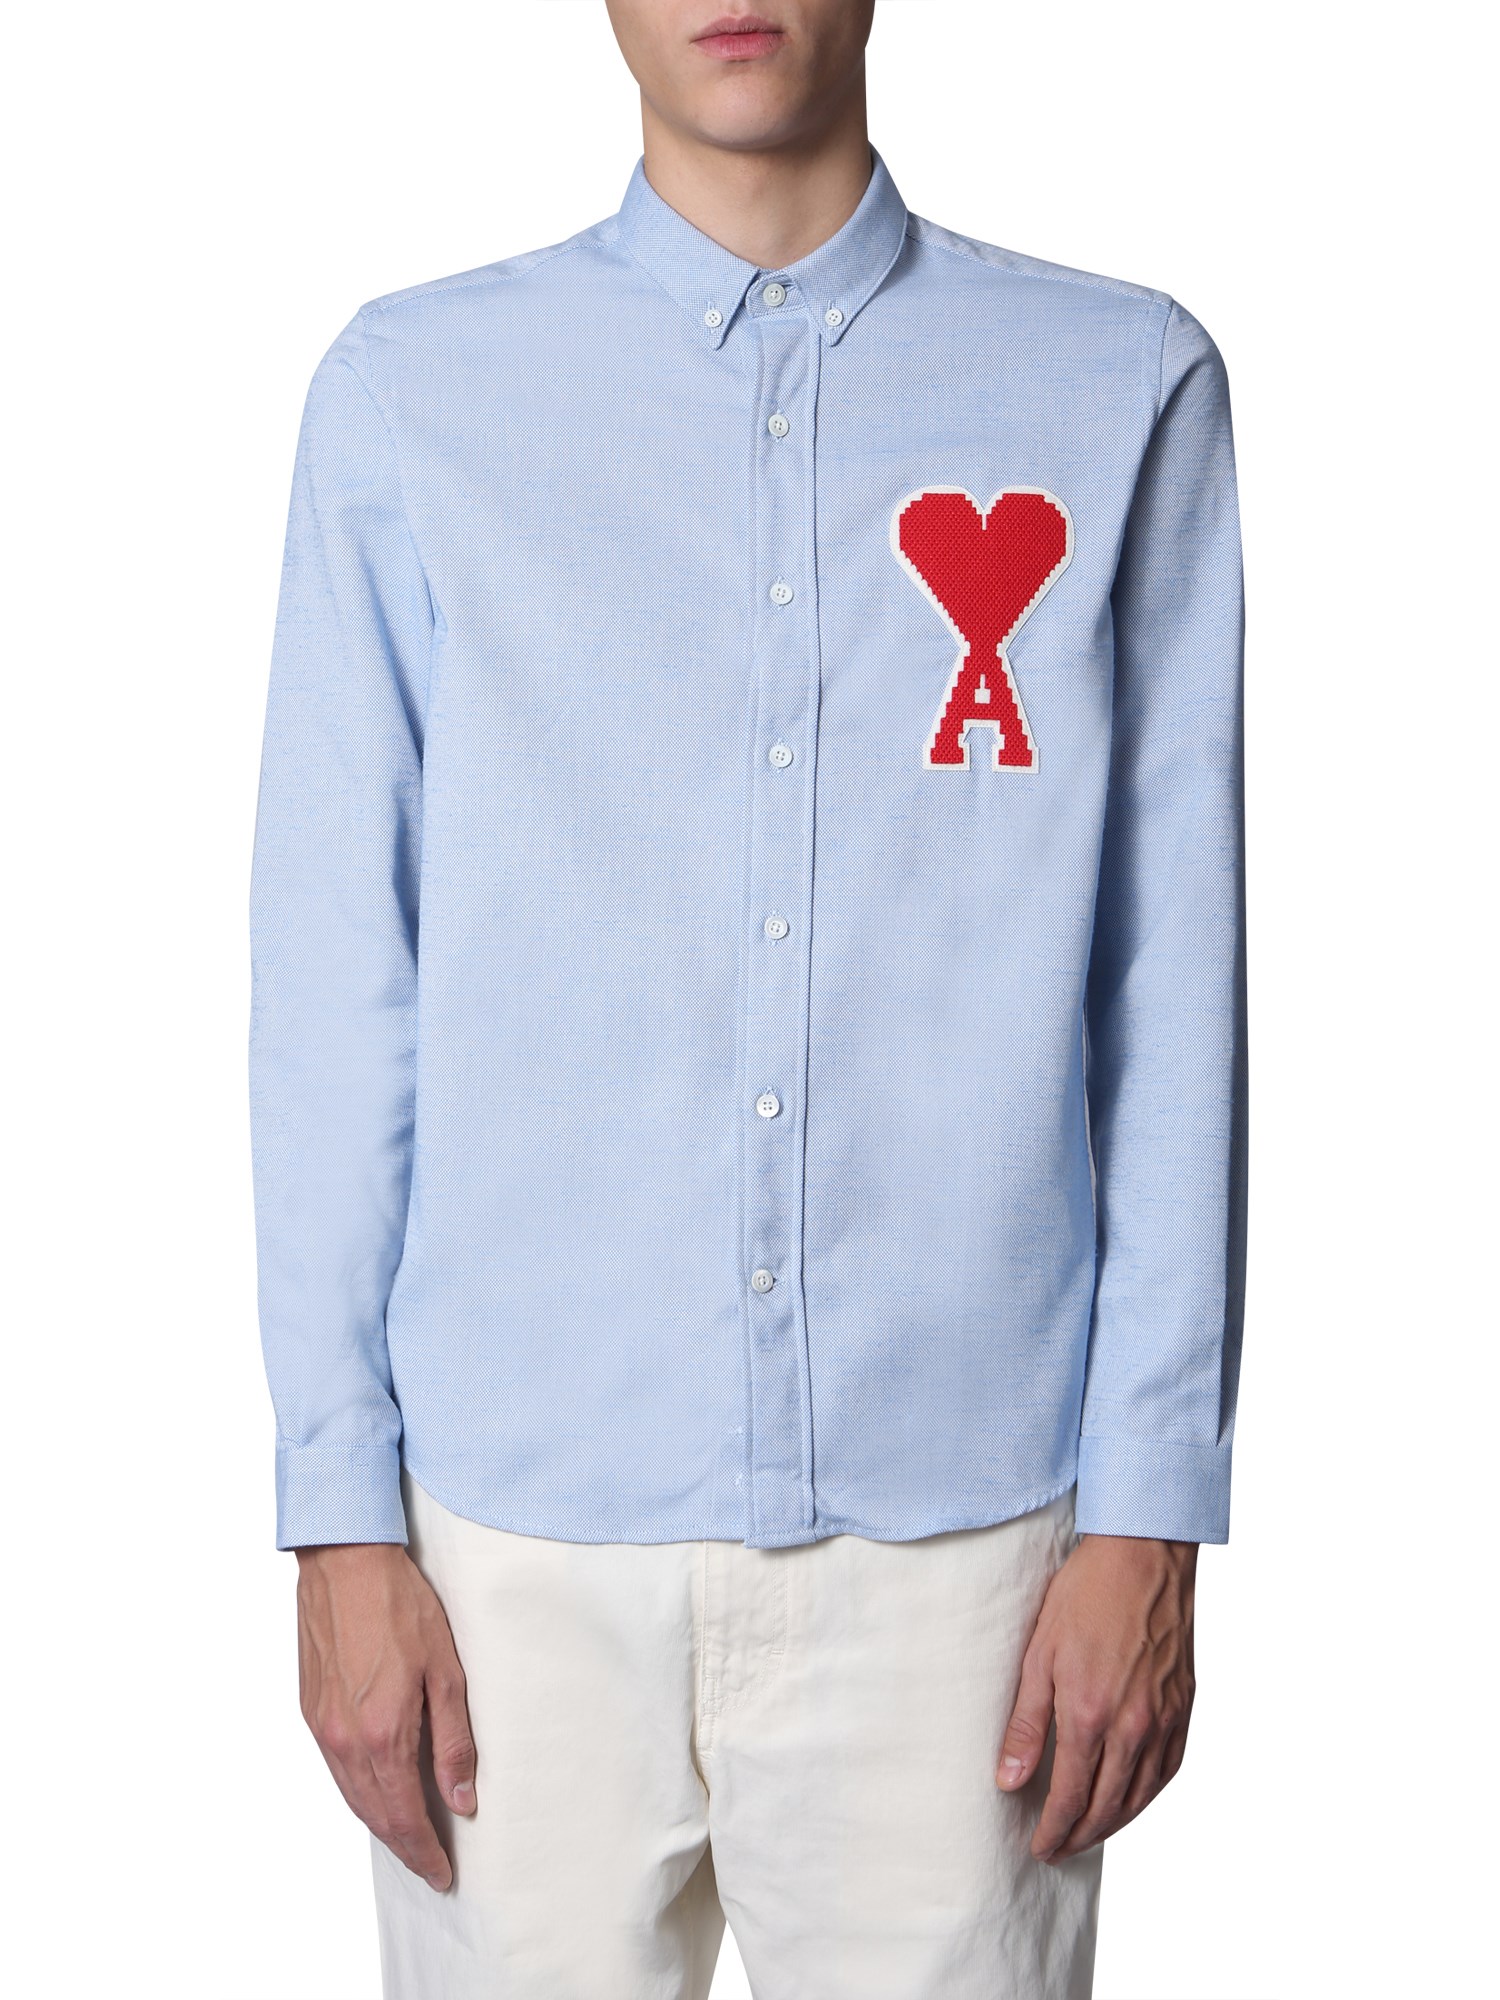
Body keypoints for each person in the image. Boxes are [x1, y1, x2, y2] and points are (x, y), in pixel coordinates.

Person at [249, 3, 1246, 1994]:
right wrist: (336, 1518)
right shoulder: (410, 397)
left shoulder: (1120, 382)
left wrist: (1154, 1511)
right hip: (510, 1547)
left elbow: (1174, 975)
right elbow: (338, 981)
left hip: (968, 1550)